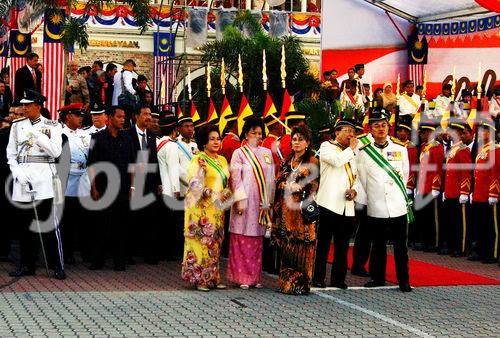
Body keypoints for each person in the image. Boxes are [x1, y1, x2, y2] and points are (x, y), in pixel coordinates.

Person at [6, 90, 65, 280]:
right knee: (25, 227)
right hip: (23, 179)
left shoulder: (52, 125)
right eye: (23, 104)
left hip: (44, 178)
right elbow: (11, 154)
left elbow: (56, 152)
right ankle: (27, 264)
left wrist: (38, 136)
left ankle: (57, 264)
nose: (24, 108)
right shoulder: (16, 126)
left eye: (28, 104)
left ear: (37, 106)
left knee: (48, 226)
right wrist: (18, 174)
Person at [356, 109, 412, 292]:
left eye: (383, 125)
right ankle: (377, 277)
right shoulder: (364, 152)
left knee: (400, 246)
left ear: (389, 127)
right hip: (377, 203)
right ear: (370, 129)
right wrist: (367, 200)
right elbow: (362, 179)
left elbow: (404, 174)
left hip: (397, 204)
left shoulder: (400, 149)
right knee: (378, 244)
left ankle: (404, 280)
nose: (380, 128)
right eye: (376, 125)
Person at [227, 117, 275, 289]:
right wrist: (239, 200)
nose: (257, 135)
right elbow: (235, 178)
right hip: (244, 203)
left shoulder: (267, 153)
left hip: (261, 204)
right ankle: (241, 277)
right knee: (241, 238)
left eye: (260, 133)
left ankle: (254, 277)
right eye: (253, 132)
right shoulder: (239, 153)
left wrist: (269, 201)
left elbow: (271, 180)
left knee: (256, 240)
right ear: (246, 134)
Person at [181, 124, 230, 291]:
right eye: (212, 139)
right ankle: (200, 279)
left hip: (217, 208)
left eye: (218, 139)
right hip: (201, 208)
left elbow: (226, 183)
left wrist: (227, 193)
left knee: (216, 242)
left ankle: (213, 277)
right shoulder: (199, 159)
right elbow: (194, 183)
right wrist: (212, 193)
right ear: (204, 142)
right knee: (203, 242)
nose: (216, 142)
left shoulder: (222, 160)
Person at [87, 106, 136, 271]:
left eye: (124, 117)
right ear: (110, 117)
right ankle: (97, 260)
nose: (123, 119)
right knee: (100, 225)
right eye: (119, 116)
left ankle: (119, 260)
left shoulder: (128, 138)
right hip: (102, 188)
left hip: (122, 188)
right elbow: (91, 165)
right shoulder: (96, 138)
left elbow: (132, 165)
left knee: (120, 226)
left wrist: (132, 187)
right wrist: (93, 188)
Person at [272, 124, 318, 294]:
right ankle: (286, 283)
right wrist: (284, 184)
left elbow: (314, 184)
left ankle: (301, 285)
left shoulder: (312, 161)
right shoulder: (287, 160)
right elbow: (278, 180)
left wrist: (299, 186)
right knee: (287, 245)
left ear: (307, 142)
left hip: (302, 210)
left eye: (301, 139)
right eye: (295, 139)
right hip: (286, 210)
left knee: (302, 247)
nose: (297, 142)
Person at [313, 120, 358, 289]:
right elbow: (336, 161)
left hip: (347, 205)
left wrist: (354, 190)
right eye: (347, 131)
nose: (350, 135)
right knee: (323, 244)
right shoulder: (327, 146)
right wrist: (351, 149)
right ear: (337, 132)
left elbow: (356, 175)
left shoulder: (352, 153)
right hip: (328, 204)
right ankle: (318, 278)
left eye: (352, 132)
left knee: (343, 245)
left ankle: (338, 279)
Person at [127, 106, 161, 264]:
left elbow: (155, 160)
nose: (148, 117)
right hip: (133, 181)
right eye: (145, 114)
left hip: (150, 182)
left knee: (151, 218)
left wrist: (158, 182)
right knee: (132, 219)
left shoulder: (152, 136)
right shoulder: (127, 134)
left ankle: (150, 253)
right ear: (136, 116)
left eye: (149, 114)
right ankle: (130, 253)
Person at [58, 103, 91, 264]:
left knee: (84, 218)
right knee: (68, 219)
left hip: (83, 177)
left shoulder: (85, 135)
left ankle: (84, 251)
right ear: (68, 116)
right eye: (77, 115)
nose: (80, 118)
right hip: (68, 178)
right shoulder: (59, 133)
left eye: (81, 115)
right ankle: (67, 252)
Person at [470, 118, 499, 263]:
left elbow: (495, 172)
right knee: (481, 224)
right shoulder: (482, 149)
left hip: (489, 193)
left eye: (484, 131)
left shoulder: (496, 149)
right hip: (479, 193)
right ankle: (481, 251)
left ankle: (492, 253)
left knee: (491, 226)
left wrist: (493, 193)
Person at [443, 121, 472, 257]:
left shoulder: (463, 149)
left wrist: (464, 191)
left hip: (458, 192)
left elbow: (466, 172)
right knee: (450, 221)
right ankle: (451, 245)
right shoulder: (452, 149)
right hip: (450, 191)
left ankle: (460, 247)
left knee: (460, 223)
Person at [415, 121, 445, 252]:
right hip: (423, 186)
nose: (421, 135)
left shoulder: (437, 147)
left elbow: (438, 168)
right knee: (424, 217)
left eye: (423, 133)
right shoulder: (424, 147)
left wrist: (436, 187)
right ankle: (425, 241)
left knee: (434, 218)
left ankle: (435, 242)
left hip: (432, 187)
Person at [112, 59, 137, 128]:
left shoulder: (117, 74)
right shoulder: (128, 73)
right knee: (126, 119)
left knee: (118, 118)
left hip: (116, 101)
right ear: (129, 65)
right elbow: (128, 86)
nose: (132, 70)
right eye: (132, 67)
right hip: (125, 101)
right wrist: (135, 93)